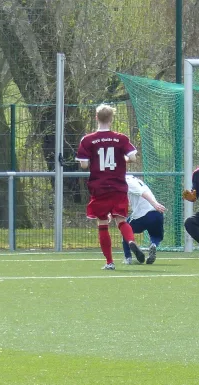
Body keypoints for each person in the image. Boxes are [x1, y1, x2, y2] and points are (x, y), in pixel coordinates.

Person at [75, 104, 146, 270]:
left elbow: (84, 165)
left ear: (96, 117)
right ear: (111, 119)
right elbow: (133, 158)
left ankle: (109, 262)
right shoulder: (121, 138)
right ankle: (131, 241)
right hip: (118, 185)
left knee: (102, 223)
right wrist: (124, 160)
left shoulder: (87, 140)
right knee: (121, 219)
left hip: (99, 187)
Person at [122, 175, 166, 265]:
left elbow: (142, 193)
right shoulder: (136, 180)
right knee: (156, 235)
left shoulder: (128, 181)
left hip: (143, 215)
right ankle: (153, 244)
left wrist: (154, 204)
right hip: (157, 214)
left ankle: (128, 257)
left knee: (124, 228)